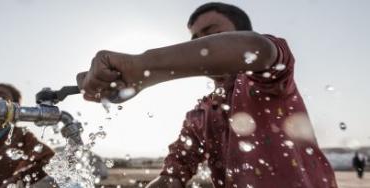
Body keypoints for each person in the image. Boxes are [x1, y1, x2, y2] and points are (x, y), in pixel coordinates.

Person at [76, 2, 338, 188]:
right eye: (194, 41)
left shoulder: (270, 82)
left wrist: (143, 67)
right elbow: (172, 176)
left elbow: (255, 49)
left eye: (211, 36)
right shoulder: (199, 116)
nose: (198, 47)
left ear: (241, 33)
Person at [0, 83, 55, 188]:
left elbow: (48, 159)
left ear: (13, 104)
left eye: (2, 97)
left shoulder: (21, 134)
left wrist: (18, 178)